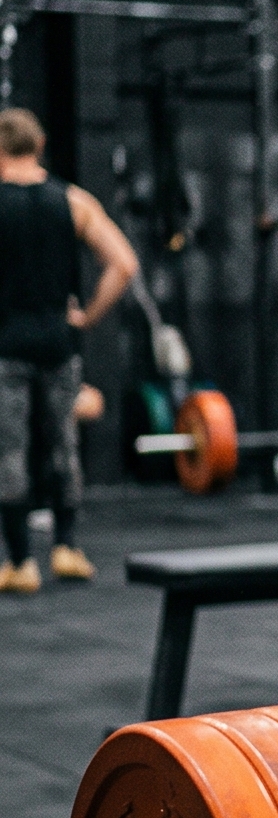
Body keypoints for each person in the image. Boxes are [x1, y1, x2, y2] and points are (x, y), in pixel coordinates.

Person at [0, 107, 139, 591]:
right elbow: (123, 263)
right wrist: (87, 317)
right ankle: (67, 548)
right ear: (38, 147)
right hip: (58, 342)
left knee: (9, 451)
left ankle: (20, 562)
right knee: (64, 444)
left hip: (6, 345)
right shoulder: (74, 201)